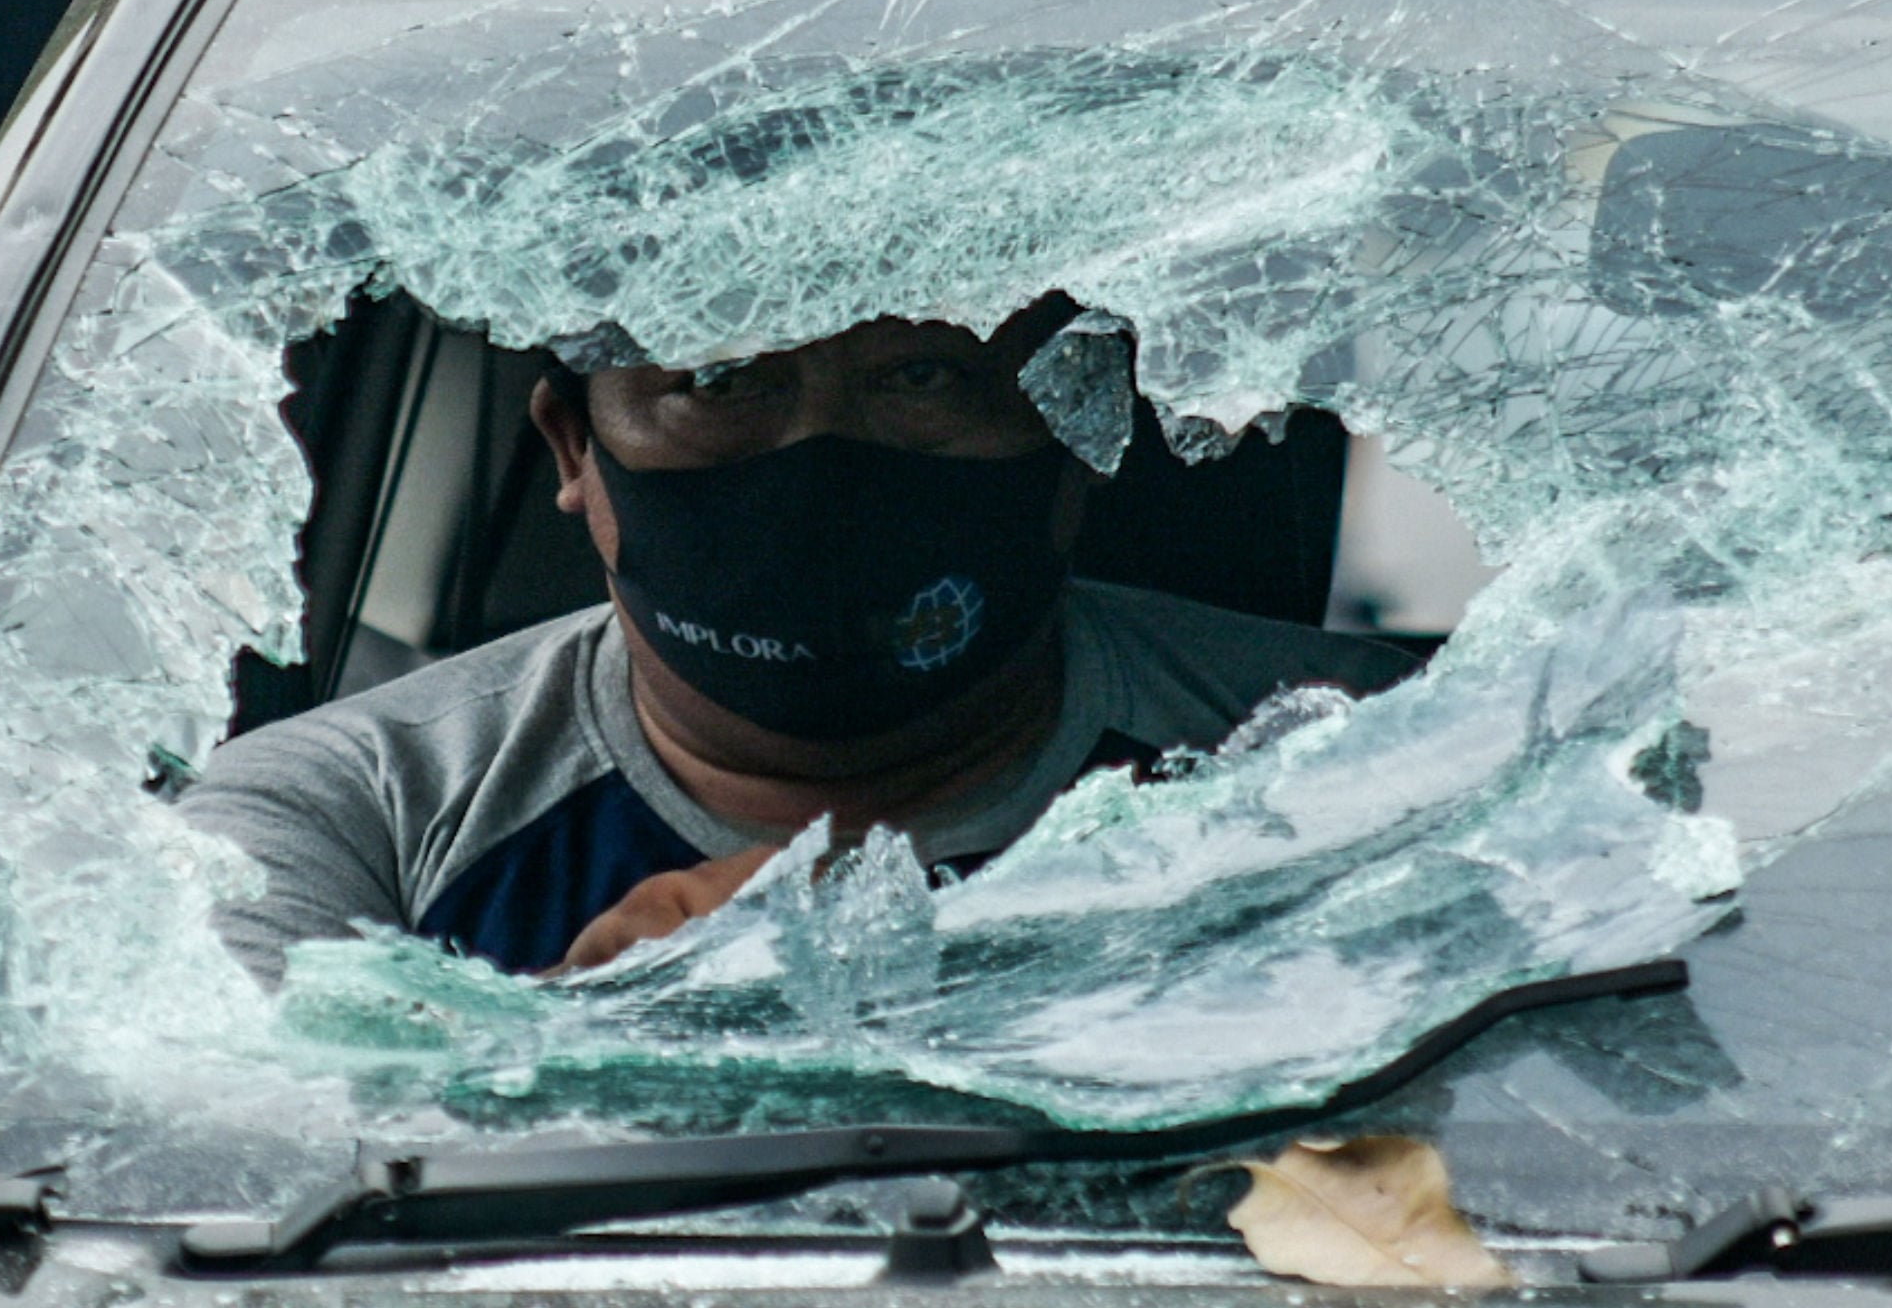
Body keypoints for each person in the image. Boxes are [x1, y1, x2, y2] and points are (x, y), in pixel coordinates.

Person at [185, 309, 1415, 982]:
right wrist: (590, 1046)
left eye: (922, 375)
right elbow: (258, 1185)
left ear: (1071, 442)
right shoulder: (345, 817)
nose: (821, 464)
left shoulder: (1384, 755)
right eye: (721, 381)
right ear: (575, 450)